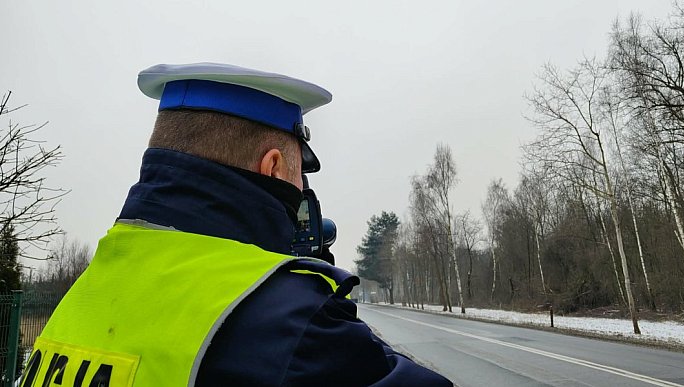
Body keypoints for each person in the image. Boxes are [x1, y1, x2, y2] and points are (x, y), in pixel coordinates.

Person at [21, 63, 452, 386]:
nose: (302, 188)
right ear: (273, 167)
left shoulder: (85, 292)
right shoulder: (288, 321)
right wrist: (320, 307)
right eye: (301, 173)